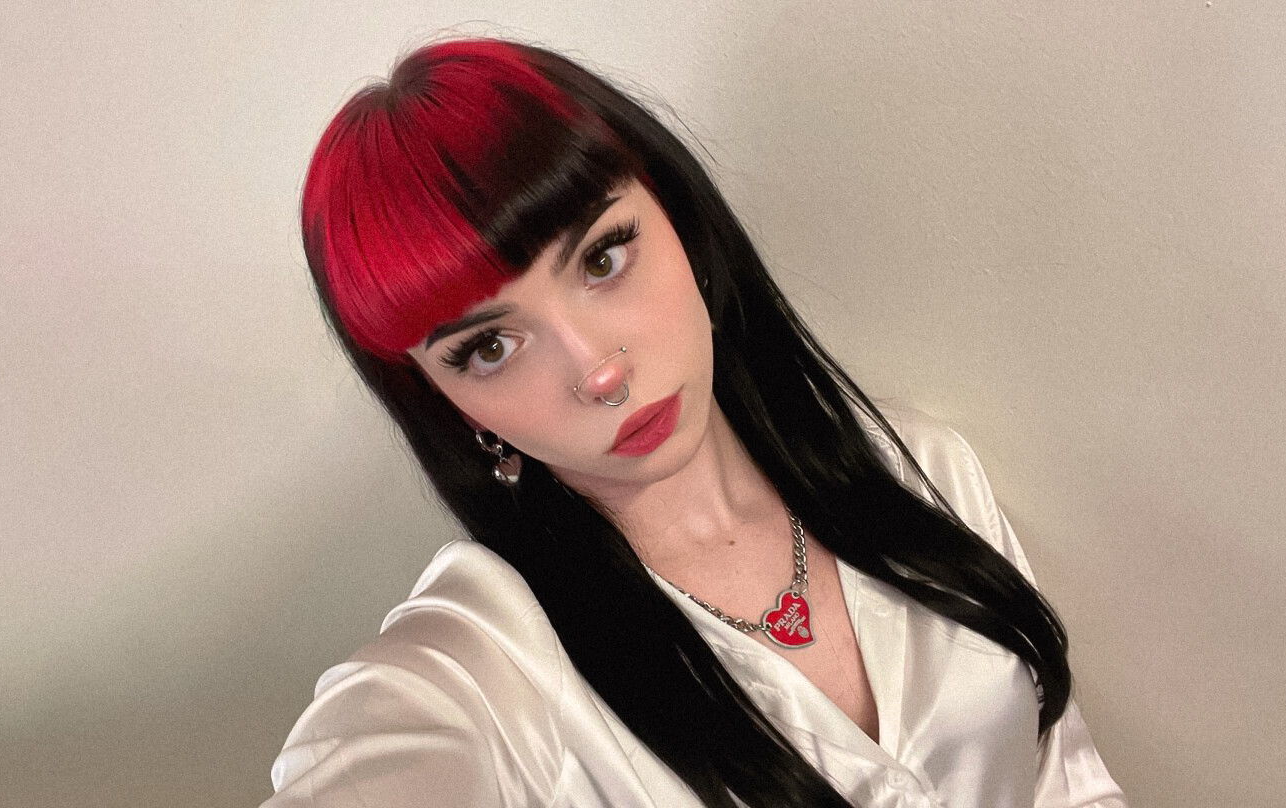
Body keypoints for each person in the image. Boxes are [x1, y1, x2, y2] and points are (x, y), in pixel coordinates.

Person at [264, 38, 1128, 808]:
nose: (599, 371)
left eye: (604, 256)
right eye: (490, 347)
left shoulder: (921, 469)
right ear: (443, 402)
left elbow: (1064, 781)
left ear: (680, 220)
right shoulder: (482, 671)